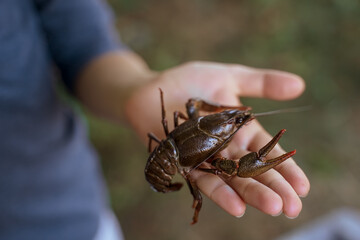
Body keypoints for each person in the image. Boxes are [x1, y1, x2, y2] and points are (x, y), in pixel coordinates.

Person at [0, 0, 310, 239]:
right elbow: (232, 167)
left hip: (66, 219)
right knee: (228, 169)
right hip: (54, 211)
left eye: (233, 120)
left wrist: (137, 88)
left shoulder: (200, 123)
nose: (235, 119)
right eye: (233, 119)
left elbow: (82, 44)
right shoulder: (210, 156)